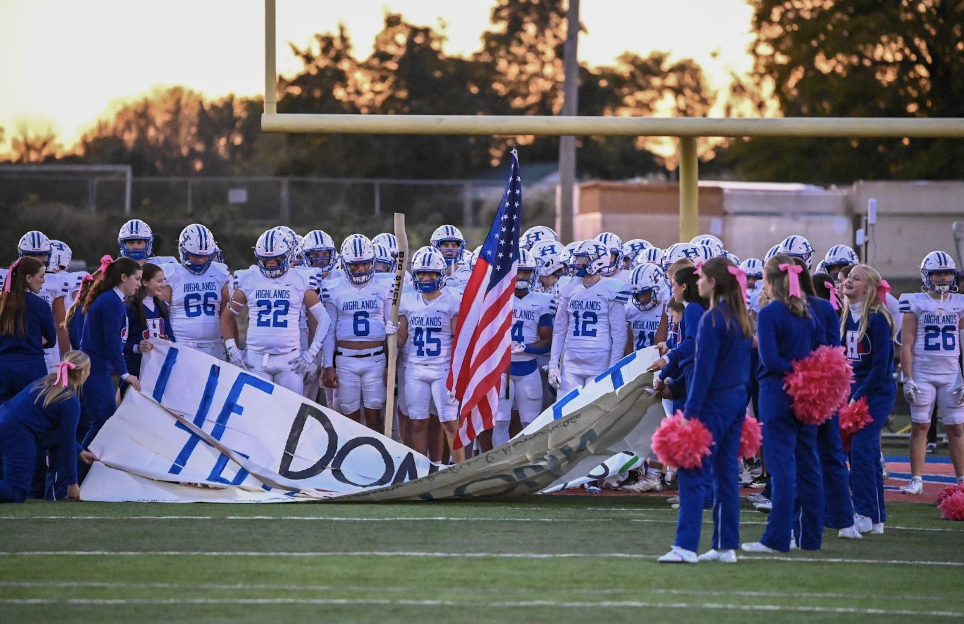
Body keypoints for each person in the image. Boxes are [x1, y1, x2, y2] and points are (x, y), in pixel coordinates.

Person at [658, 257, 753, 564]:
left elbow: (703, 371)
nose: (696, 283)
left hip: (713, 403)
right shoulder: (739, 318)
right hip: (737, 401)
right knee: (725, 473)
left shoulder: (713, 320)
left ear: (713, 282)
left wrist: (689, 414)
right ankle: (726, 546)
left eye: (701, 278)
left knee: (692, 470)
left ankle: (685, 547)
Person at [742, 254, 824, 553]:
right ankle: (810, 536)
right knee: (808, 464)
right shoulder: (807, 313)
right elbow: (818, 354)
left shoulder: (769, 313)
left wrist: (794, 372)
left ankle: (778, 538)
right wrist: (805, 375)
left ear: (769, 280)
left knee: (782, 467)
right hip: (806, 395)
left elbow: (770, 359)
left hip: (777, 393)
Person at [792, 257, 862, 540]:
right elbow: (835, 349)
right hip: (829, 390)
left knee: (804, 458)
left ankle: (806, 522)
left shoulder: (789, 308)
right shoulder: (827, 307)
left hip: (802, 391)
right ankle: (845, 521)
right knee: (832, 456)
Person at [221, 229, 331, 395]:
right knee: (258, 412)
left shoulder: (300, 279)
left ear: (287, 256)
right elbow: (226, 316)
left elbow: (324, 318)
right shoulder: (249, 278)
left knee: (290, 414)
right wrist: (232, 350)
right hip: (256, 359)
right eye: (266, 259)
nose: (271, 263)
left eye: (276, 258)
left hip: (290, 360)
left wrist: (311, 352)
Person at [899, 252, 964, 493]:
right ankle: (916, 479)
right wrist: (907, 378)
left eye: (947, 272)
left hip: (951, 374)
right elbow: (906, 343)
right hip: (922, 373)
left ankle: (962, 480)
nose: (942, 277)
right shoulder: (915, 301)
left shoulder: (960, 302)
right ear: (927, 275)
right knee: (920, 426)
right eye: (937, 272)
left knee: (956, 428)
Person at [840, 264, 897, 534]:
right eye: (848, 277)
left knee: (862, 449)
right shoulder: (845, 316)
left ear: (869, 288)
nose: (849, 281)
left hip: (876, 393)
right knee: (865, 452)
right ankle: (875, 519)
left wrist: (858, 396)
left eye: (857, 278)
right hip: (853, 394)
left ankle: (864, 512)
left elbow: (881, 366)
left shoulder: (876, 319)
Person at [0, 351, 97, 502]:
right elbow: (67, 442)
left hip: (5, 420)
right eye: (89, 369)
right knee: (16, 492)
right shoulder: (69, 401)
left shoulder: (46, 382)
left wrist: (79, 451)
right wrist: (72, 483)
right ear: (83, 372)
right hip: (16, 432)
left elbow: (61, 434)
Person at [397, 247, 463, 462]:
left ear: (441, 275)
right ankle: (420, 470)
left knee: (449, 422)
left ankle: (461, 471)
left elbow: (459, 340)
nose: (426, 278)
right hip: (415, 369)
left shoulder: (451, 301)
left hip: (443, 369)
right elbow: (401, 340)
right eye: (421, 274)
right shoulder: (407, 301)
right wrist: (389, 332)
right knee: (417, 421)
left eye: (431, 274)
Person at [323, 234, 394, 432]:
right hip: (346, 359)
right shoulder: (334, 288)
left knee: (374, 413)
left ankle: (378, 458)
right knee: (349, 414)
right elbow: (329, 331)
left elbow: (391, 326)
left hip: (376, 359)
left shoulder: (384, 285)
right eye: (354, 265)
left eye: (364, 264)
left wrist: (391, 363)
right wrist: (328, 364)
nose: (360, 269)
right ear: (344, 264)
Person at [549, 240, 629, 395]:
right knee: (567, 413)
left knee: (596, 415)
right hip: (571, 362)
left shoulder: (612, 288)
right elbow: (559, 329)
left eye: (583, 259)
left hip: (599, 362)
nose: (578, 263)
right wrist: (553, 365)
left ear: (598, 261)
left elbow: (619, 334)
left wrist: (612, 368)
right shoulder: (568, 286)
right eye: (578, 258)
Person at [79, 256, 143, 448]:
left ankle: (77, 470)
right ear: (124, 277)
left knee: (101, 421)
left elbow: (116, 340)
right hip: (95, 369)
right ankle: (77, 471)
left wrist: (135, 347)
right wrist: (124, 374)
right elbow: (111, 342)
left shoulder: (114, 300)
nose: (139, 284)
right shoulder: (111, 301)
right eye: (137, 279)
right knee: (103, 422)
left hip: (98, 369)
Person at [496, 249, 554, 447]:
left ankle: (529, 466)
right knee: (500, 421)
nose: (521, 276)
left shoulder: (542, 301)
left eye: (526, 272)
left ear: (533, 273)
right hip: (502, 368)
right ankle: (498, 467)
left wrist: (526, 347)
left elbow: (547, 340)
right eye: (517, 271)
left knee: (530, 422)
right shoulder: (497, 298)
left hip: (528, 367)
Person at [159, 224, 232, 361]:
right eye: (195, 256)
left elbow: (227, 313)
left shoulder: (219, 272)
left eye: (205, 257)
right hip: (182, 345)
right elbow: (162, 313)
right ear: (183, 251)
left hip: (214, 346)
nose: (200, 260)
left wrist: (232, 346)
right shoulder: (172, 273)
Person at [0, 258, 57, 405]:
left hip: (3, 367)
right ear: (29, 278)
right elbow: (51, 339)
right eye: (41, 276)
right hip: (31, 368)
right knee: (31, 415)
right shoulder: (40, 305)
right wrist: (31, 339)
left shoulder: (2, 302)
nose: (43, 281)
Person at [17, 231, 70, 371]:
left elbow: (60, 325)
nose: (36, 259)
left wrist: (66, 359)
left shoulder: (54, 281)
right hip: (13, 349)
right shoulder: (8, 279)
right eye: (31, 255)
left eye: (40, 255)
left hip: (46, 351)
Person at [124, 263, 174, 380]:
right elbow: (118, 343)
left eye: (163, 280)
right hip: (135, 368)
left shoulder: (162, 306)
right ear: (145, 282)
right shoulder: (129, 307)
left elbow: (171, 337)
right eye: (159, 281)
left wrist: (166, 341)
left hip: (158, 367)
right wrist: (137, 348)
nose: (163, 285)